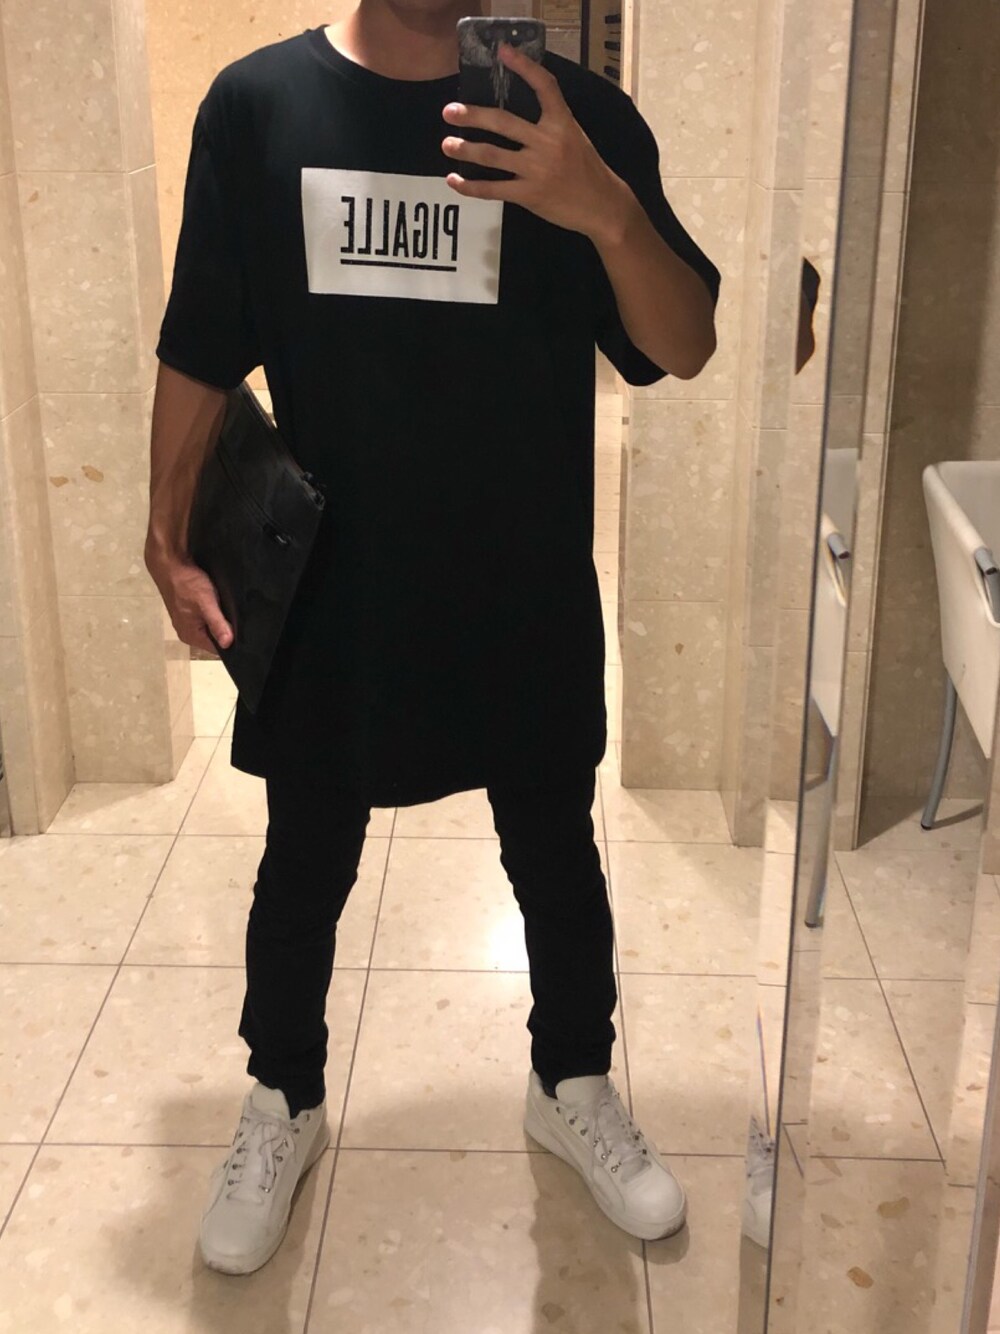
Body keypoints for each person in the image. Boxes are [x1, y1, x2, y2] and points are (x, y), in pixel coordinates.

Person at [145, 0, 720, 1276]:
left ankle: (571, 1079)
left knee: (554, 854)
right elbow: (201, 337)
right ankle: (282, 1095)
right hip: (326, 584)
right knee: (305, 859)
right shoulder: (259, 107)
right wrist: (164, 527)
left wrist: (603, 210)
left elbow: (681, 345)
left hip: (521, 581)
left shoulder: (576, 118)